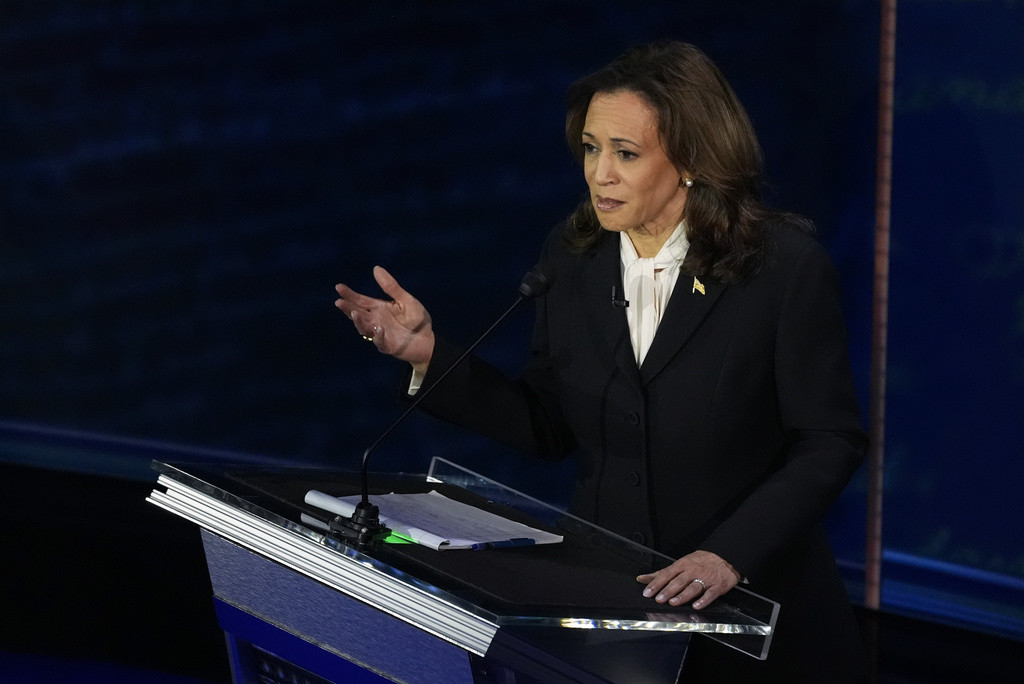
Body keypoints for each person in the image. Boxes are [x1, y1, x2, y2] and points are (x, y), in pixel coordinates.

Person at [335, 41, 867, 682]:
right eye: (591, 148)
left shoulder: (780, 267)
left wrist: (727, 555)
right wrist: (426, 356)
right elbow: (547, 424)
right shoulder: (573, 255)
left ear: (692, 162)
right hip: (610, 614)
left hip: (751, 621)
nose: (599, 174)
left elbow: (829, 440)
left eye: (626, 153)